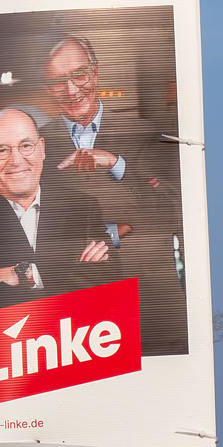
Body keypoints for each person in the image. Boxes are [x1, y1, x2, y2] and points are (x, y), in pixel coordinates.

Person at [39, 33, 186, 355]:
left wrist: (116, 162)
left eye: (79, 75)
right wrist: (117, 229)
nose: (72, 90)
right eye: (58, 82)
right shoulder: (35, 144)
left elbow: (172, 211)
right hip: (75, 317)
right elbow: (35, 224)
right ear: (47, 88)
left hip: (148, 302)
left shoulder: (144, 132)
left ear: (95, 72)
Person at [0, 107, 115, 319]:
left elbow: (109, 284)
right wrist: (74, 270)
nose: (16, 160)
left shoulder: (82, 205)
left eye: (26, 146)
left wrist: (26, 273)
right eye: (2, 150)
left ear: (42, 149)